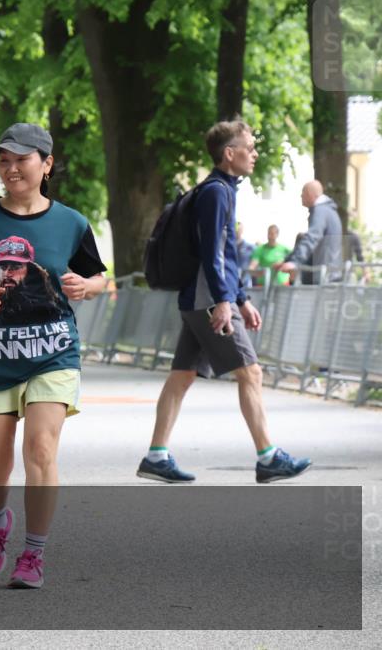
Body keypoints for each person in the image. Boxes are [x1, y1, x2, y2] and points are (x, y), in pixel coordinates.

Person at [0, 122, 108, 589]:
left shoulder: (71, 222)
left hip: (53, 353)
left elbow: (99, 277)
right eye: (3, 160)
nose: (10, 168)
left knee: (40, 448)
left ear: (47, 164)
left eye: (21, 159)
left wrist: (87, 285)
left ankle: (33, 554)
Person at [136, 119, 311, 486]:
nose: (255, 154)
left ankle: (156, 456)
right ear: (229, 154)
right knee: (251, 372)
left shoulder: (220, 190)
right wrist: (223, 302)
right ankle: (268, 456)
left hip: (201, 297)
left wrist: (242, 299)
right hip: (206, 299)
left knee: (181, 376)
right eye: (249, 147)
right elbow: (213, 252)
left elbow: (226, 253)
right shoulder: (217, 192)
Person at [273, 180, 343, 283]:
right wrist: (287, 260)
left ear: (310, 194)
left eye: (303, 193)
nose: (301, 196)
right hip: (330, 274)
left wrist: (295, 262)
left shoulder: (320, 211)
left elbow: (312, 237)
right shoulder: (329, 211)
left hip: (323, 277)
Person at [236, 222, 255, 289]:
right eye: (236, 228)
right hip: (231, 280)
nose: (237, 230)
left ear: (242, 230)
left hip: (245, 283)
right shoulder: (227, 246)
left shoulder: (250, 247)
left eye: (239, 229)